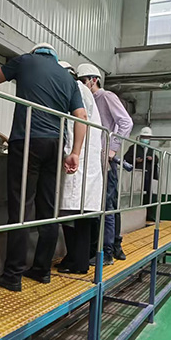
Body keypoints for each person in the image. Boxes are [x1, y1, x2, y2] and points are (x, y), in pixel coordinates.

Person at [0, 43, 88, 292]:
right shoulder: (68, 79)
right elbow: (82, 117)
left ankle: (13, 275)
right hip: (56, 145)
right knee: (48, 209)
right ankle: (42, 269)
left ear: (36, 52)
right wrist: (75, 153)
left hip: (27, 141)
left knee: (21, 207)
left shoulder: (25, 61)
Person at [77, 63, 133, 266]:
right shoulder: (88, 100)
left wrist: (112, 149)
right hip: (94, 159)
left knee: (106, 206)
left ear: (94, 80)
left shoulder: (106, 96)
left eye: (84, 81)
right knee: (101, 205)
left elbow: (126, 122)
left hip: (105, 160)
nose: (82, 84)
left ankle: (108, 251)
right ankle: (109, 247)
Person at [56, 61, 103, 274]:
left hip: (78, 157)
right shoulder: (82, 90)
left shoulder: (74, 88)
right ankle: (73, 258)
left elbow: (74, 122)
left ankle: (79, 263)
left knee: (77, 214)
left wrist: (71, 152)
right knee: (76, 213)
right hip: (85, 158)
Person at [123, 127, 158, 205]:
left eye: (147, 137)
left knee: (148, 195)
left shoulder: (151, 149)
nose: (145, 139)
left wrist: (152, 159)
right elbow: (126, 159)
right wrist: (135, 160)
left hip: (148, 175)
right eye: (144, 137)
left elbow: (156, 160)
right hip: (136, 175)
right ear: (140, 137)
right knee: (136, 194)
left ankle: (148, 211)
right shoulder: (134, 148)